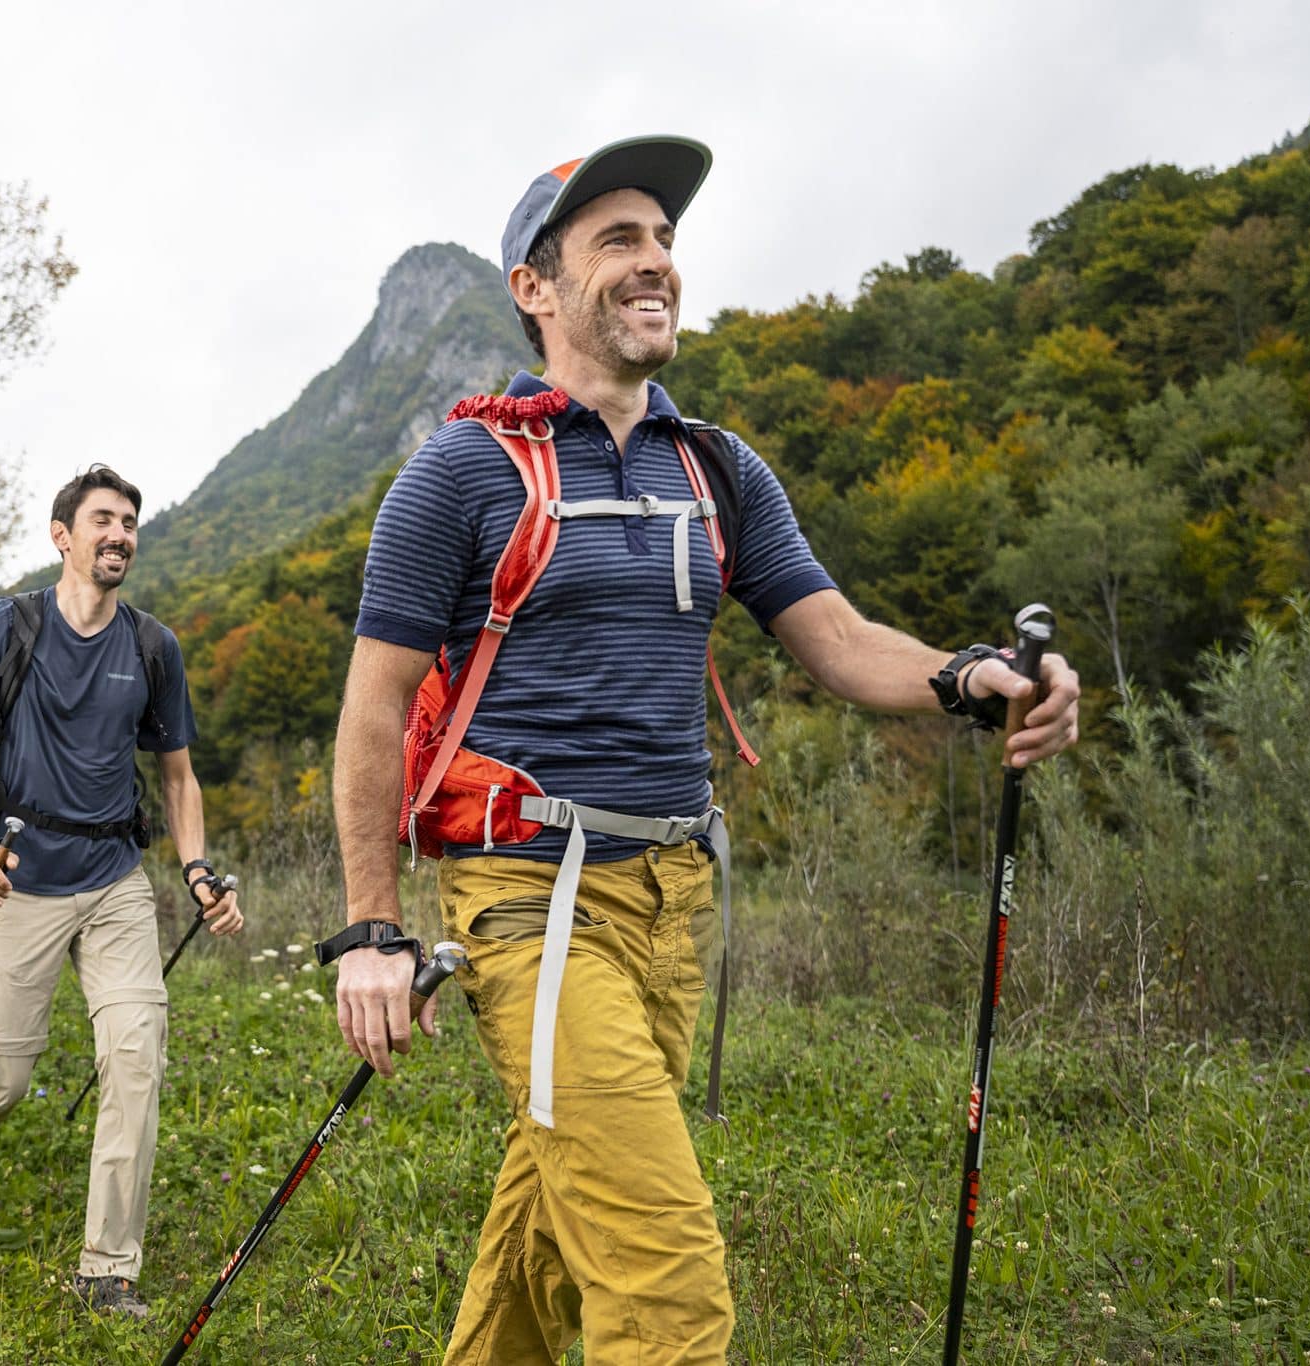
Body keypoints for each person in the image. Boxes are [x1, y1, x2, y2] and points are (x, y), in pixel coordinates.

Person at [327, 136, 1082, 1363]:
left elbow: (838, 639)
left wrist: (969, 675)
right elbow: (372, 709)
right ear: (534, 286)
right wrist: (368, 931)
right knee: (665, 1281)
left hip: (672, 901)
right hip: (529, 898)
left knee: (545, 1226)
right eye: (617, 240)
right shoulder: (461, 472)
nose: (655, 263)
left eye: (664, 239)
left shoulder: (716, 469)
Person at [0, 464, 245, 1321]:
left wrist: (197, 870)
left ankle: (108, 1268)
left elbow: (178, 777)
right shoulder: (4, 628)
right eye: (103, 519)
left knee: (136, 1059)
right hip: (17, 880)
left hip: (114, 881)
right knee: (0, 1077)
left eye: (129, 522)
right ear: (62, 535)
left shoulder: (152, 647)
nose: (120, 533)